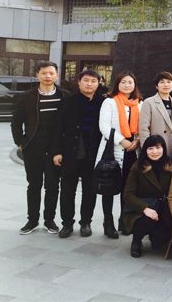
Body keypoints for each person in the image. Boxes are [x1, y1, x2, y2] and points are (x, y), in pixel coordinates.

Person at [11, 61, 70, 235]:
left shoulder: (65, 96)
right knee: (34, 185)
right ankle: (32, 220)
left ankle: (49, 220)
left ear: (57, 75)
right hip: (33, 148)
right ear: (37, 75)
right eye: (44, 73)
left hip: (55, 150)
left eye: (51, 73)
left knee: (53, 186)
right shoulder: (27, 97)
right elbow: (16, 122)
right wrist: (20, 142)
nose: (48, 76)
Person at [52, 69, 104, 238]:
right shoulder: (68, 101)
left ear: (98, 83)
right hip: (71, 153)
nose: (89, 84)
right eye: (86, 80)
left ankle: (86, 223)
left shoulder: (103, 102)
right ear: (79, 82)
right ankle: (67, 224)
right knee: (67, 190)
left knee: (90, 190)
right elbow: (57, 128)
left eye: (93, 81)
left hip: (93, 154)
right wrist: (57, 151)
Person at [95, 71, 142, 238]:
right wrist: (122, 141)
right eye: (123, 82)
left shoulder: (139, 103)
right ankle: (108, 222)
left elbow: (143, 126)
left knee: (128, 188)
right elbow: (104, 126)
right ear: (117, 84)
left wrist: (137, 140)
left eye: (130, 82)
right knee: (109, 187)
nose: (127, 85)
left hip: (133, 152)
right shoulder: (109, 102)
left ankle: (125, 220)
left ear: (134, 85)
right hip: (113, 150)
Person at [123, 135, 172, 258]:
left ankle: (156, 235)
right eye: (150, 148)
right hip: (142, 209)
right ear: (145, 150)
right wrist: (145, 208)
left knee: (159, 244)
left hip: (163, 208)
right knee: (147, 219)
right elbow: (128, 195)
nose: (155, 152)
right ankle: (136, 241)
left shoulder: (170, 166)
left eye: (158, 148)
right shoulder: (138, 167)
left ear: (163, 149)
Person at [138, 72, 172, 159]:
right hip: (155, 148)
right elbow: (143, 129)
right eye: (162, 82)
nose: (166, 84)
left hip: (171, 147)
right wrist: (147, 148)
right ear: (156, 86)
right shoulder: (149, 102)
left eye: (169, 82)